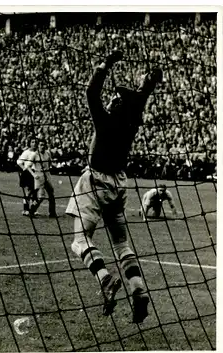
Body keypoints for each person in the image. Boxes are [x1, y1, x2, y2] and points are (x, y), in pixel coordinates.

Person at [65, 50, 163, 323]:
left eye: (115, 98)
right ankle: (138, 288)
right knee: (121, 243)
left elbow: (90, 93)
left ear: (116, 105)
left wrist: (105, 64)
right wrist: (148, 82)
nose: (112, 98)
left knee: (80, 240)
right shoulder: (131, 120)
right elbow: (141, 96)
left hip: (96, 180)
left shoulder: (106, 120)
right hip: (119, 184)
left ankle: (105, 279)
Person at [28, 139, 57, 218]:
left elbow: (50, 163)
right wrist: (34, 175)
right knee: (41, 197)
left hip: (47, 175)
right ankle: (32, 211)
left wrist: (54, 166)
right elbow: (28, 167)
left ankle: (52, 213)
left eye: (44, 145)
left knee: (51, 194)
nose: (42, 146)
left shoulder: (48, 153)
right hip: (39, 175)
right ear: (38, 146)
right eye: (41, 145)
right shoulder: (35, 155)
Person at [16, 138, 38, 216]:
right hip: (28, 173)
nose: (34, 143)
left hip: (36, 173)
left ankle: (32, 209)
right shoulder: (27, 152)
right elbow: (19, 162)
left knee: (35, 192)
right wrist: (24, 169)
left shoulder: (38, 152)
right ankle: (25, 209)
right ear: (30, 143)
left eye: (35, 142)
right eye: (32, 142)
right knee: (28, 192)